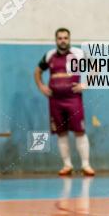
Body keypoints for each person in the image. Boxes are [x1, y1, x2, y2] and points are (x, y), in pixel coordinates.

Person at [33, 28, 95, 176]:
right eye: (60, 38)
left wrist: (85, 85)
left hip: (73, 99)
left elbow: (96, 66)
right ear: (56, 40)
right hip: (55, 101)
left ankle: (86, 165)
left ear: (69, 39)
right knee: (61, 133)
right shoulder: (49, 55)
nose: (63, 40)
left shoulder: (78, 53)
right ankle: (67, 165)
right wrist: (41, 86)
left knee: (80, 132)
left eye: (65, 38)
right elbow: (37, 71)